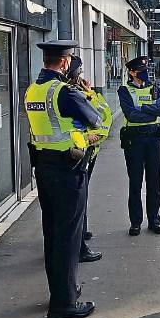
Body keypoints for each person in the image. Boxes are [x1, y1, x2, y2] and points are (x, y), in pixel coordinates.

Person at [25, 40, 103, 318]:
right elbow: (96, 119)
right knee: (69, 237)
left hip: (44, 168)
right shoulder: (65, 92)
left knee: (53, 233)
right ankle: (64, 302)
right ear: (66, 62)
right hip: (68, 169)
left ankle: (61, 290)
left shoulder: (34, 89)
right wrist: (89, 94)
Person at [66, 55, 111, 263]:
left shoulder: (74, 92)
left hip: (79, 151)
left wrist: (90, 92)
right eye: (80, 72)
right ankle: (80, 247)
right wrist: (90, 95)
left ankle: (81, 233)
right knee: (76, 202)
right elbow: (100, 116)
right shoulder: (72, 94)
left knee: (75, 203)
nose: (82, 76)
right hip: (79, 152)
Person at [118, 56, 160, 236]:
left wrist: (143, 108)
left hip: (154, 138)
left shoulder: (154, 87)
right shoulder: (124, 90)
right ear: (132, 72)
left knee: (154, 181)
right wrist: (151, 112)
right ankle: (136, 222)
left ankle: (154, 220)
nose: (145, 73)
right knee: (136, 182)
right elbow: (131, 115)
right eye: (140, 70)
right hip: (134, 140)